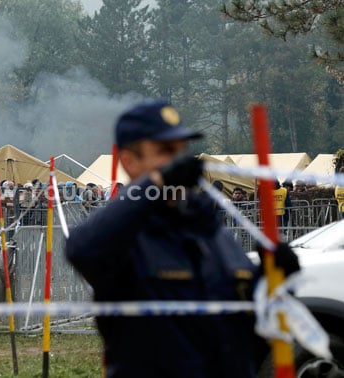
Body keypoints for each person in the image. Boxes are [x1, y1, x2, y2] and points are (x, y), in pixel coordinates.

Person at [64, 99, 300, 377]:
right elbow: (82, 249)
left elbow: (249, 329)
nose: (179, 159)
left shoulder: (211, 231)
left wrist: (274, 283)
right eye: (165, 151)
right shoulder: (125, 237)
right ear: (129, 161)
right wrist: (156, 183)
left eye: (182, 150)